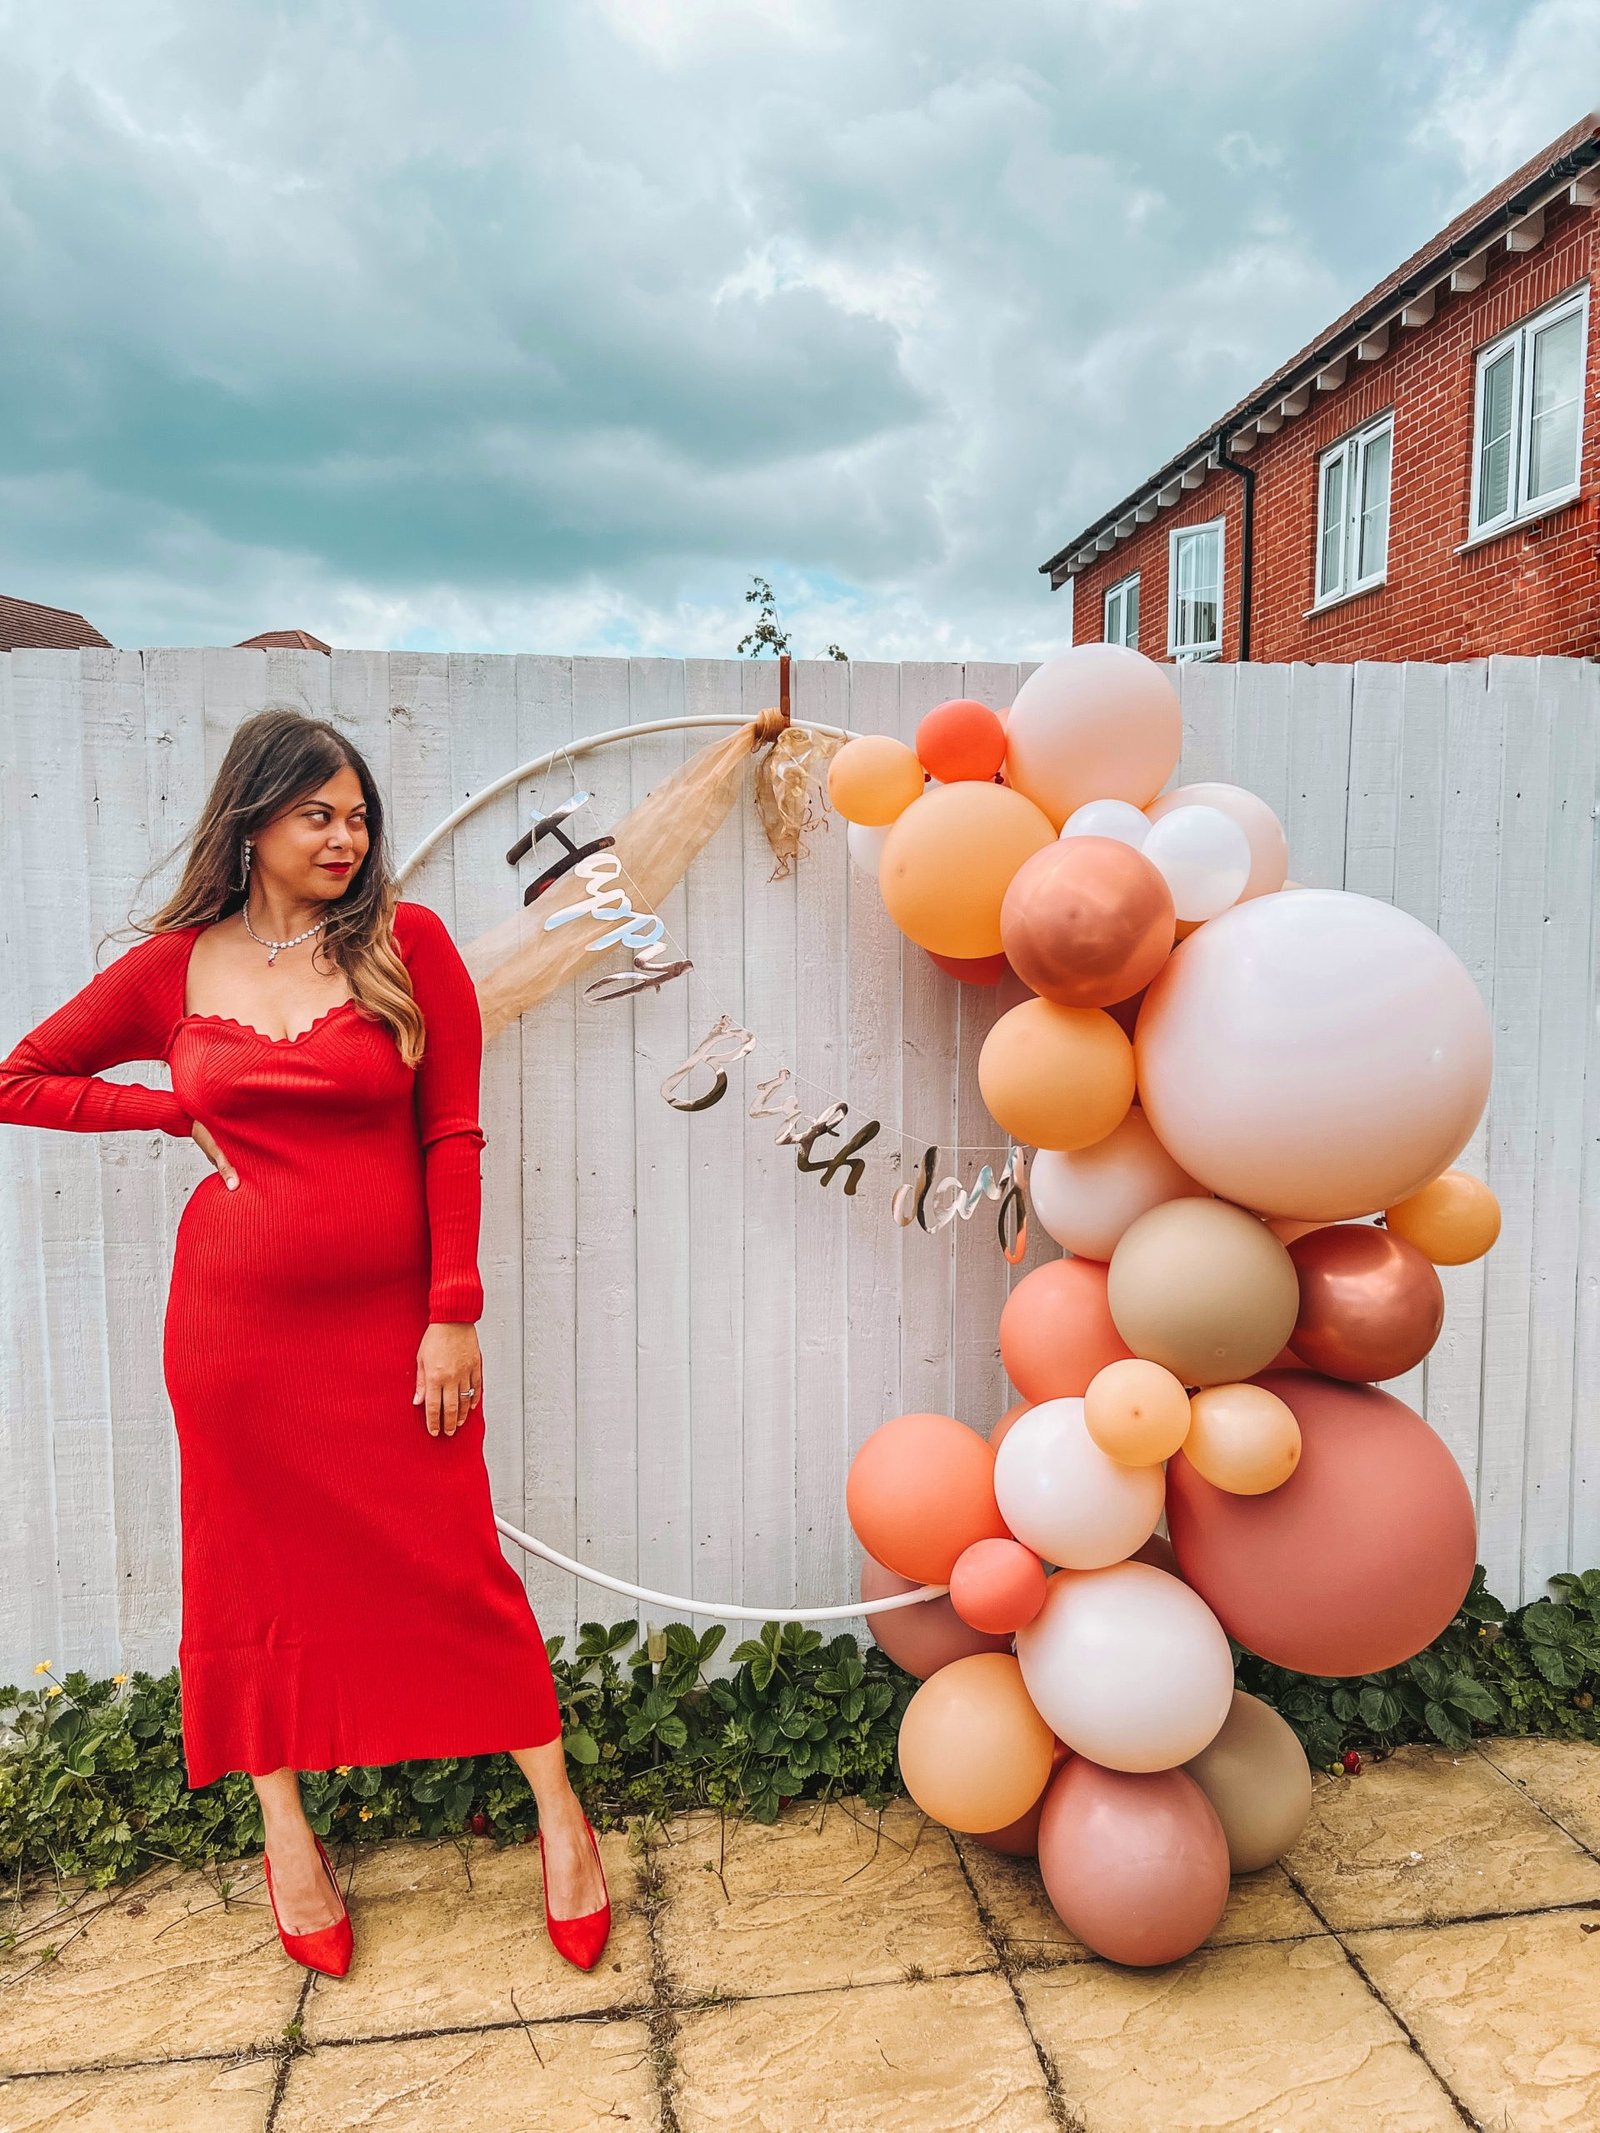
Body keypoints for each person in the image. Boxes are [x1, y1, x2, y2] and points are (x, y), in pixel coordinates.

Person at [0, 707, 609, 1977]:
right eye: (317, 815)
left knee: (453, 1561)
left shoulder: (407, 943)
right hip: (232, 1339)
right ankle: (287, 1832)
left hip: (393, 1330)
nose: (347, 836)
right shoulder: (174, 969)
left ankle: (562, 1818)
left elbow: (452, 1134)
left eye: (359, 814)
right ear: (253, 823)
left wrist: (452, 1312)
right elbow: (19, 1077)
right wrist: (166, 1109)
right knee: (251, 1579)